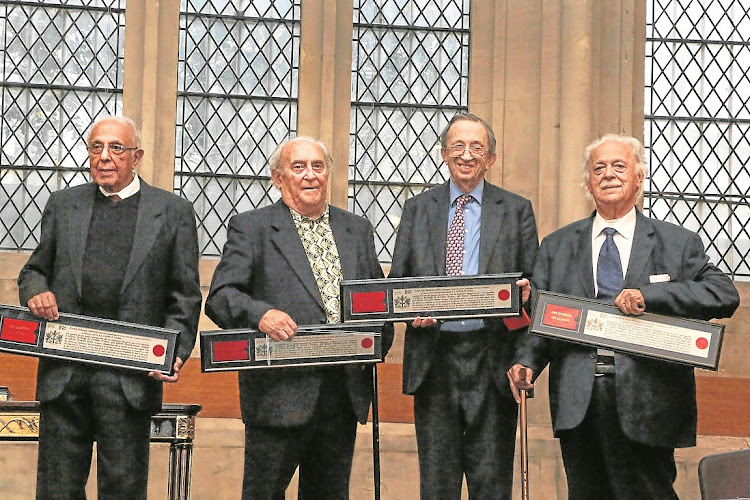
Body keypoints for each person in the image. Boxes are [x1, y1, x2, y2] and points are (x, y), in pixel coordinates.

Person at [509, 134, 740, 499]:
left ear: (638, 177)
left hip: (650, 400)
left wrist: (649, 297)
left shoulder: (676, 243)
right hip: (578, 400)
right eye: (598, 168)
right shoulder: (557, 245)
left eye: (619, 166)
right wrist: (526, 362)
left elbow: (723, 294)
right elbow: (544, 316)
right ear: (587, 182)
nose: (609, 174)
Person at [17, 116, 202, 499]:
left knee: (123, 489)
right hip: (64, 375)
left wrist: (175, 354)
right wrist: (36, 291)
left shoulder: (173, 212)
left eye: (116, 148)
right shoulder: (64, 204)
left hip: (129, 379)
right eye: (95, 147)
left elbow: (184, 295)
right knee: (56, 490)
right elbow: (34, 271)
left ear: (137, 157)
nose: (104, 157)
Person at [205, 136, 393, 499]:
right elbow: (221, 296)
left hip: (342, 396)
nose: (310, 176)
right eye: (299, 167)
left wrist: (375, 343)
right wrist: (261, 315)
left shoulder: (356, 230)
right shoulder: (252, 228)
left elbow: (377, 303)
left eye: (318, 167)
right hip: (278, 395)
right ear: (278, 179)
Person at [388, 112, 538, 499]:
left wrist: (524, 298)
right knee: (437, 484)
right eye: (458, 145)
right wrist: (410, 310)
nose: (466, 154)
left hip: (493, 360)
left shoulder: (517, 209)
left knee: (491, 485)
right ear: (443, 153)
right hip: (434, 360)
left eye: (477, 147)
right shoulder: (417, 208)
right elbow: (397, 286)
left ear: (491, 158)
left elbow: (534, 290)